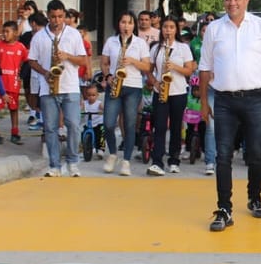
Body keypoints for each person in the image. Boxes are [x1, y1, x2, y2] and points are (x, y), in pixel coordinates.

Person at [199, 0, 261, 232]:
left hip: (253, 99)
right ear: (223, 1)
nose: (232, 3)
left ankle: (255, 196)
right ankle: (224, 208)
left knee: (254, 154)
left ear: (246, 0)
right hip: (224, 101)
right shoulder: (214, 29)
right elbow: (205, 67)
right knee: (223, 155)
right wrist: (204, 102)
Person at [28, 0, 87, 177]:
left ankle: (73, 161)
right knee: (51, 128)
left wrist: (67, 56)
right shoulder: (39, 36)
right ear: (48, 16)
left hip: (70, 86)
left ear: (64, 16)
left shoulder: (74, 34)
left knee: (74, 125)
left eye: (60, 17)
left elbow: (83, 60)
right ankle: (54, 165)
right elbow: (31, 60)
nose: (57, 20)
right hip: (48, 87)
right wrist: (45, 72)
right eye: (53, 17)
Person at [100, 11, 152, 176]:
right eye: (123, 22)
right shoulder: (111, 41)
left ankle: (126, 160)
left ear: (134, 25)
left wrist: (132, 61)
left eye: (130, 23)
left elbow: (147, 67)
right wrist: (107, 76)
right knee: (108, 123)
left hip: (133, 86)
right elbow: (104, 62)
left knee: (130, 124)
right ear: (119, 24)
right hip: (114, 84)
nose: (126, 26)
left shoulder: (139, 43)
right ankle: (113, 154)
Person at [147, 15, 196, 176]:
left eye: (171, 27)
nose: (168, 30)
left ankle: (174, 160)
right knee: (159, 126)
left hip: (178, 91)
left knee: (176, 126)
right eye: (165, 27)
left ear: (176, 30)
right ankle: (157, 161)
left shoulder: (183, 48)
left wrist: (174, 66)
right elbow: (149, 69)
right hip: (160, 91)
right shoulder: (156, 48)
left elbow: (189, 70)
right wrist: (155, 82)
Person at [0, 20, 29, 144]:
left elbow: (27, 61)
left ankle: (15, 132)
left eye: (7, 31)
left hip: (13, 84)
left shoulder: (21, 47)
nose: (5, 34)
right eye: (3, 31)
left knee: (13, 109)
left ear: (15, 33)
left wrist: (21, 75)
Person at [81, 83, 105, 158]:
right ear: (86, 96)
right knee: (83, 134)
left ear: (97, 95)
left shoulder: (98, 103)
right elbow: (81, 108)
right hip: (88, 124)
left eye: (93, 95)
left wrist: (103, 110)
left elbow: (103, 108)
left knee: (101, 134)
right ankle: (85, 147)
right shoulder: (85, 103)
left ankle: (101, 149)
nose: (91, 97)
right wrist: (80, 110)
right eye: (89, 95)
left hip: (98, 123)